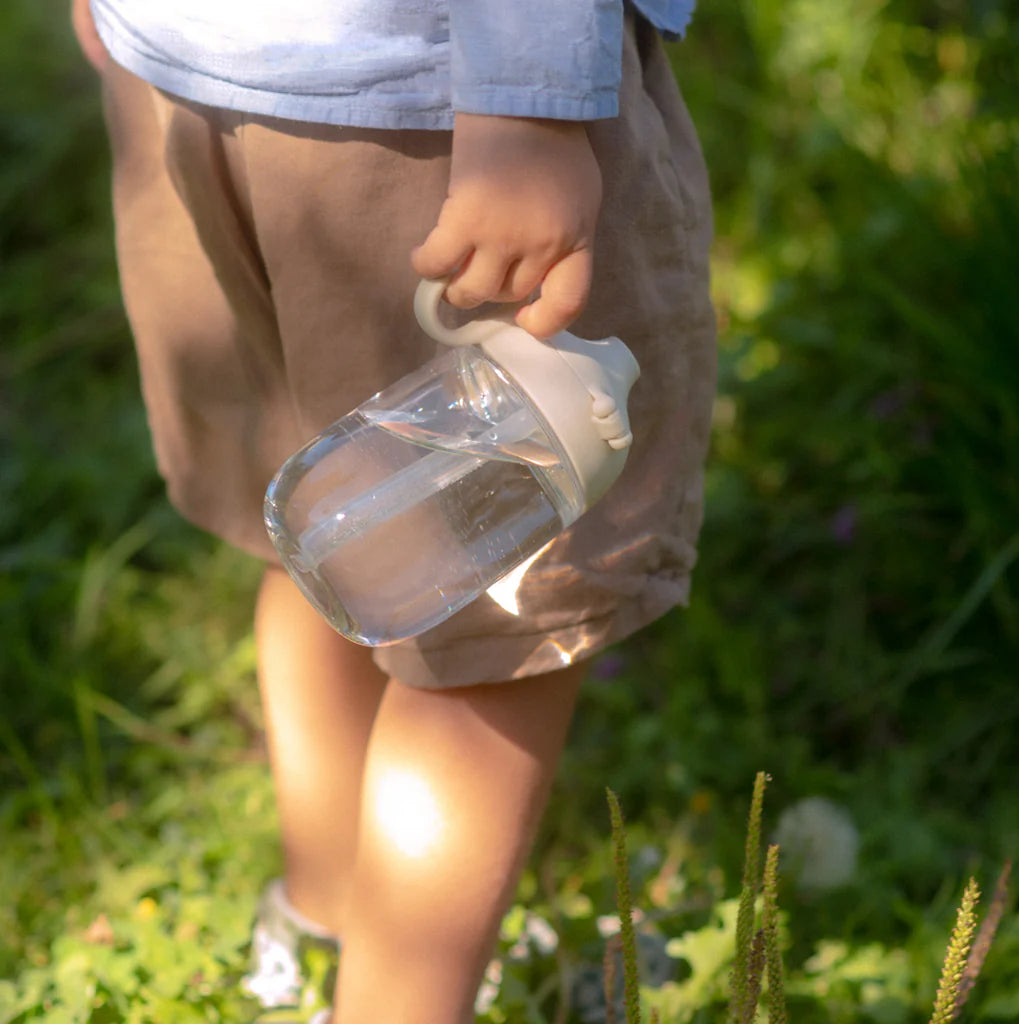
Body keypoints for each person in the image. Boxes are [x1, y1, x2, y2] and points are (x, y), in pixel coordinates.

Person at [71, 0, 717, 1021]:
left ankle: (324, 922)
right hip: (440, 111)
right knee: (491, 626)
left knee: (336, 524)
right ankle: (393, 1003)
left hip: (188, 63)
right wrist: (529, 113)